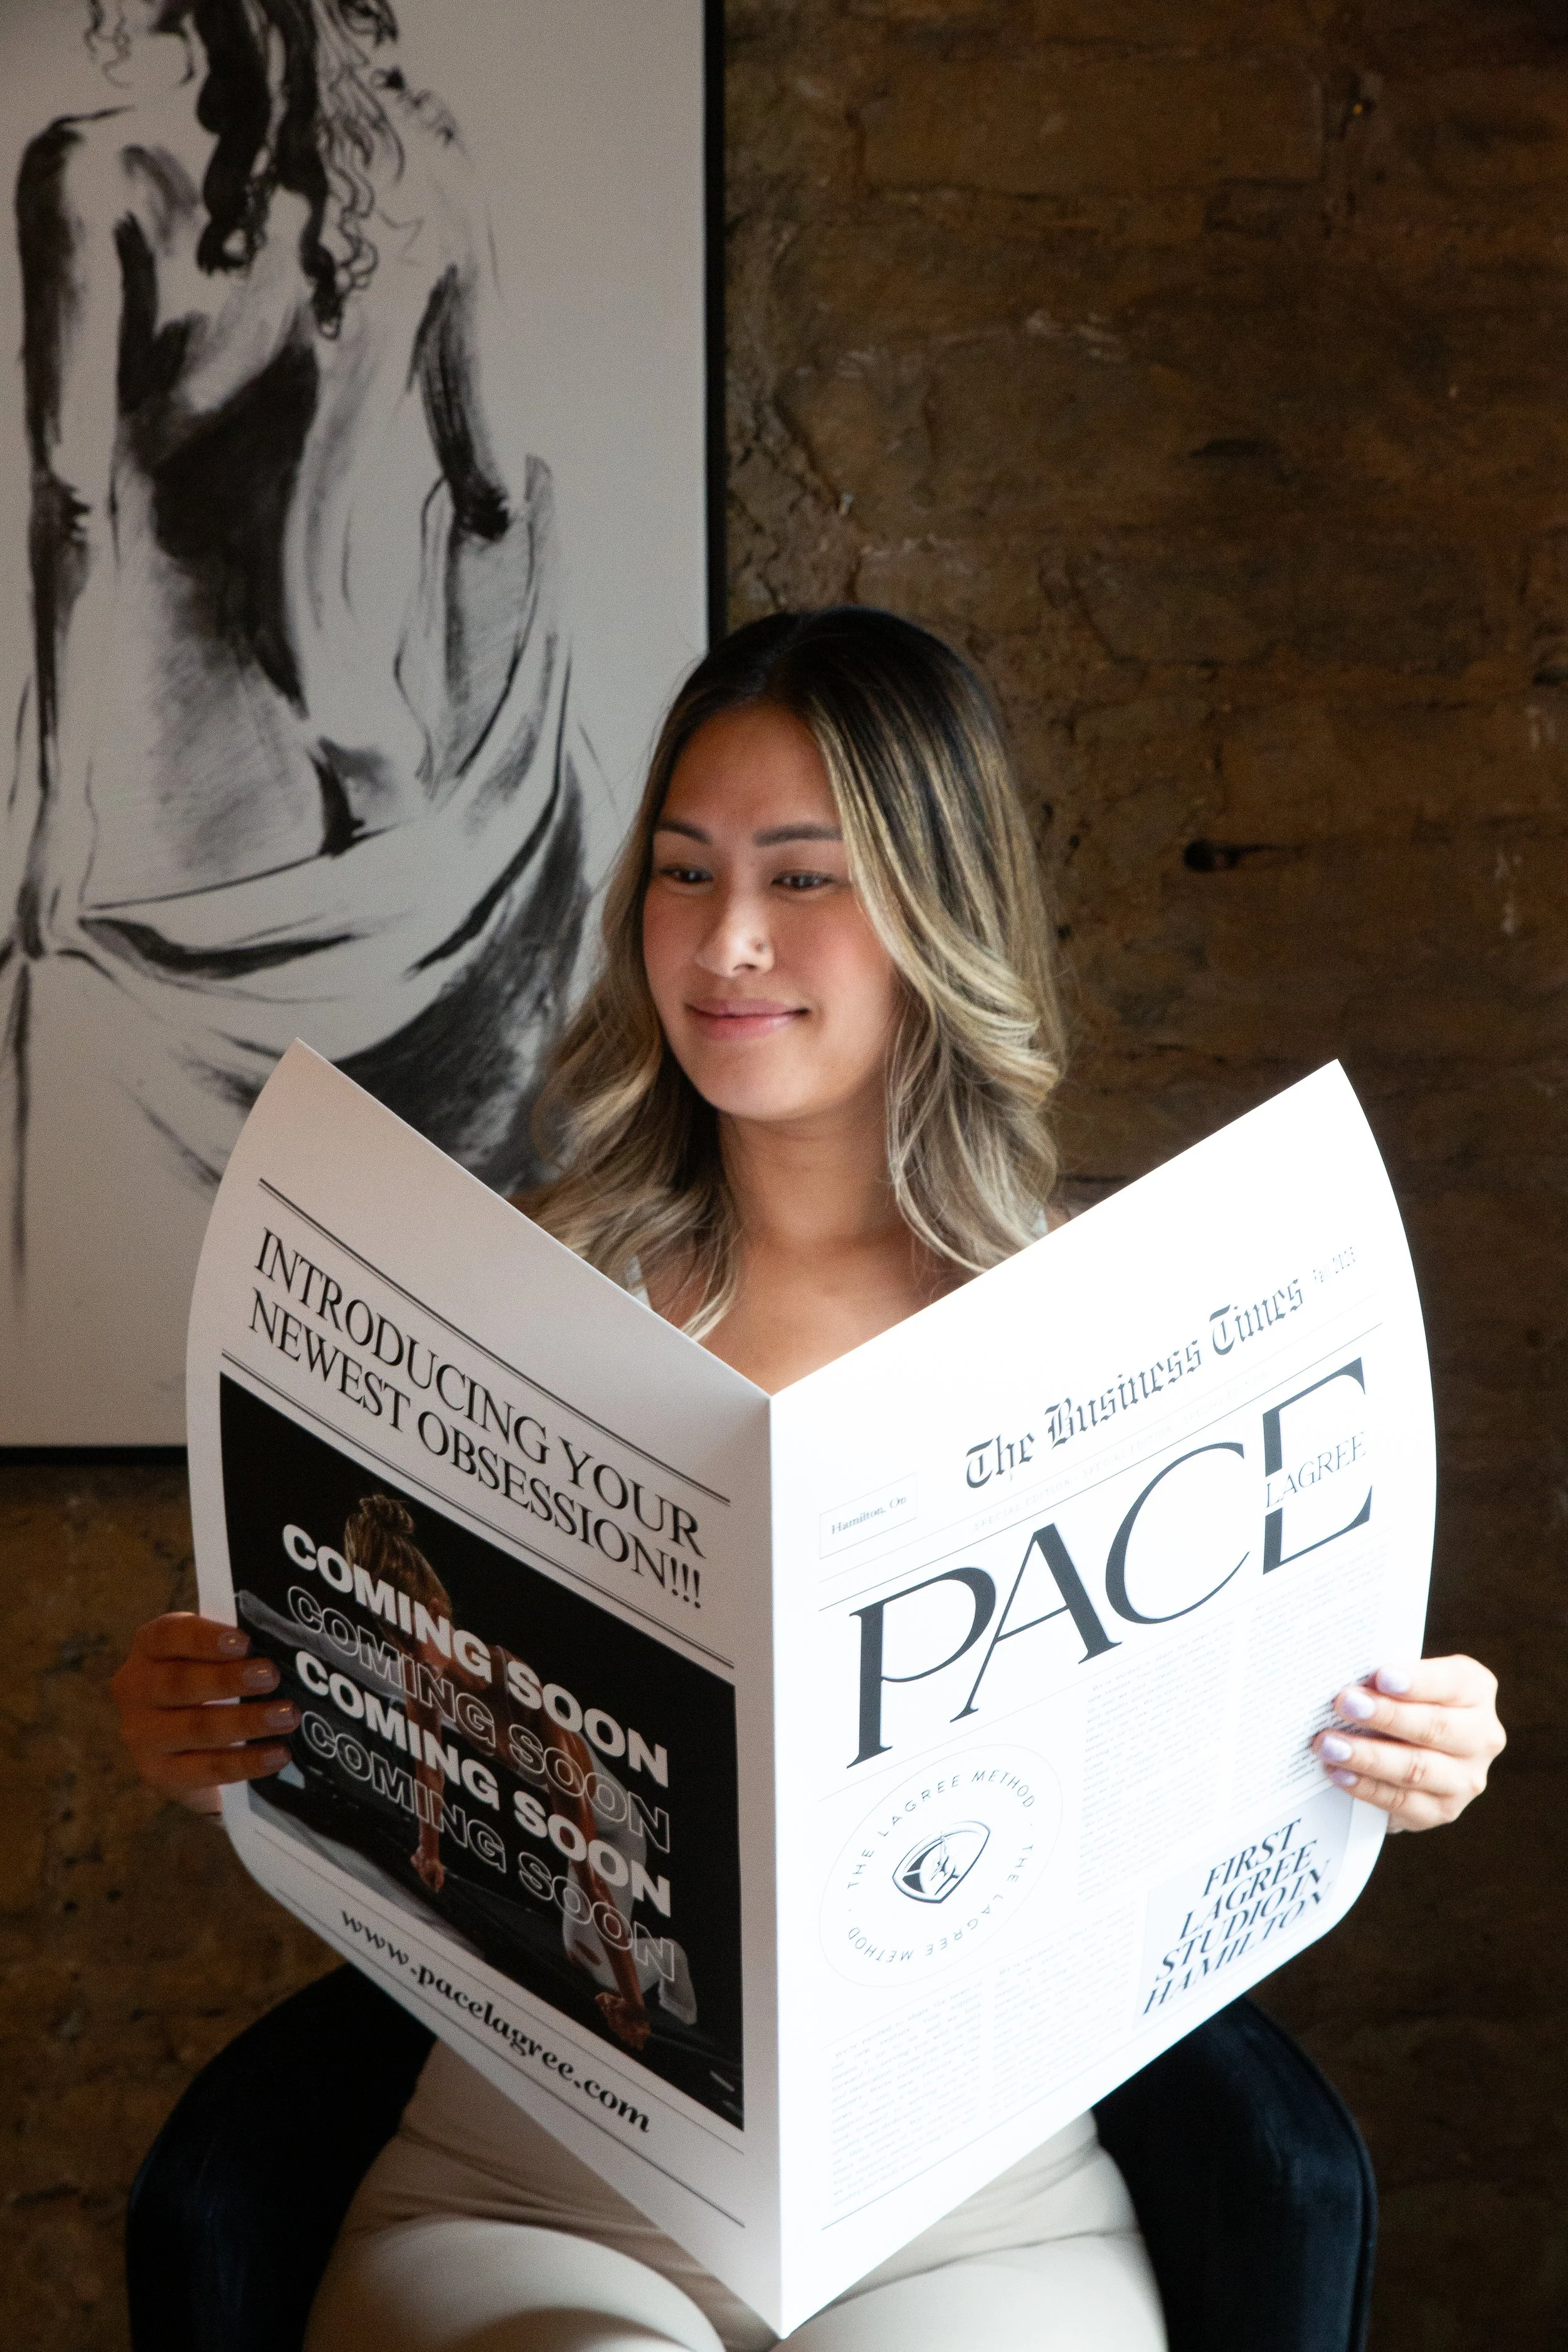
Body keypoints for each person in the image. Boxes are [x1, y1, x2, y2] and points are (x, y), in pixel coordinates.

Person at [112, 610, 1507, 2352]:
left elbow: (1236, 1742)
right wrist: (215, 1726)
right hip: (528, 2189)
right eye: (684, 875)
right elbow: (359, 1725)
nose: (729, 940)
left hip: (981, 2220)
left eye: (801, 875)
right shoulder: (515, 1303)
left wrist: (1402, 1739)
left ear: (936, 908)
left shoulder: (1115, 1327)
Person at [4, 0, 591, 1366]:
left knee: (141, 1330)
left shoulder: (92, 174)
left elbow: (77, 510)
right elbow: (494, 494)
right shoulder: (429, 179)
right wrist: (488, 777)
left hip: (169, 816)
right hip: (386, 793)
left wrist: (53, 818)